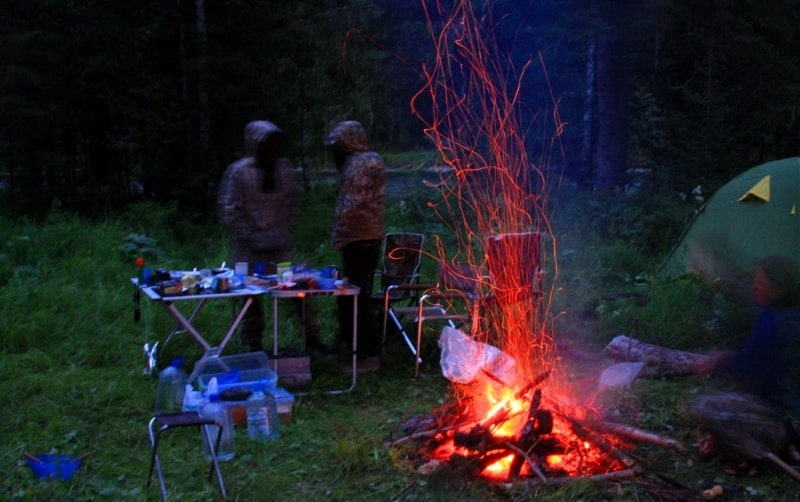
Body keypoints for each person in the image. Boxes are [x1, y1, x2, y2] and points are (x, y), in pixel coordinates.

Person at [217, 120, 320, 352]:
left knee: (298, 288)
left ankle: (312, 337)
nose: (272, 149)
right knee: (249, 295)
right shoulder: (240, 171)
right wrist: (251, 235)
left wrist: (285, 230)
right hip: (248, 249)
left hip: (279, 248)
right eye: (267, 143)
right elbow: (230, 210)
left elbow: (293, 202)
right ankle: (254, 345)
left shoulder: (283, 168)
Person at [689, 256, 800, 471]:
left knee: (707, 407)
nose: (754, 286)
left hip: (787, 411)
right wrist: (726, 359)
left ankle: (775, 446)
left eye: (760, 282)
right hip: (772, 401)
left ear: (778, 286)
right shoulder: (774, 311)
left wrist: (718, 362)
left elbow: (759, 370)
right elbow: (755, 357)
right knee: (716, 407)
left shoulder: (789, 324)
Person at [326, 121, 386, 371]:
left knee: (358, 297)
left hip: (362, 239)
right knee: (349, 295)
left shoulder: (365, 163)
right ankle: (350, 347)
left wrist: (340, 230)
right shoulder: (356, 163)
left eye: (339, 145)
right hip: (356, 239)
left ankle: (369, 354)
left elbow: (354, 204)